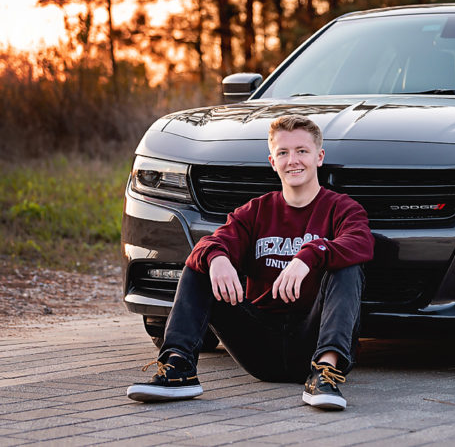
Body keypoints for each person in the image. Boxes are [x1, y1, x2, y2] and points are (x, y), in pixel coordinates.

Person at [127, 115, 374, 411]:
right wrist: (217, 258)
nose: (292, 160)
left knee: (347, 265)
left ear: (319, 157)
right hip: (260, 345)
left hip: (313, 337)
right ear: (272, 161)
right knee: (202, 261)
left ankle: (325, 374)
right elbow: (212, 243)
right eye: (283, 152)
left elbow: (360, 243)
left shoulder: (342, 208)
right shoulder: (256, 211)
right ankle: (179, 370)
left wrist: (310, 254)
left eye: (302, 151)